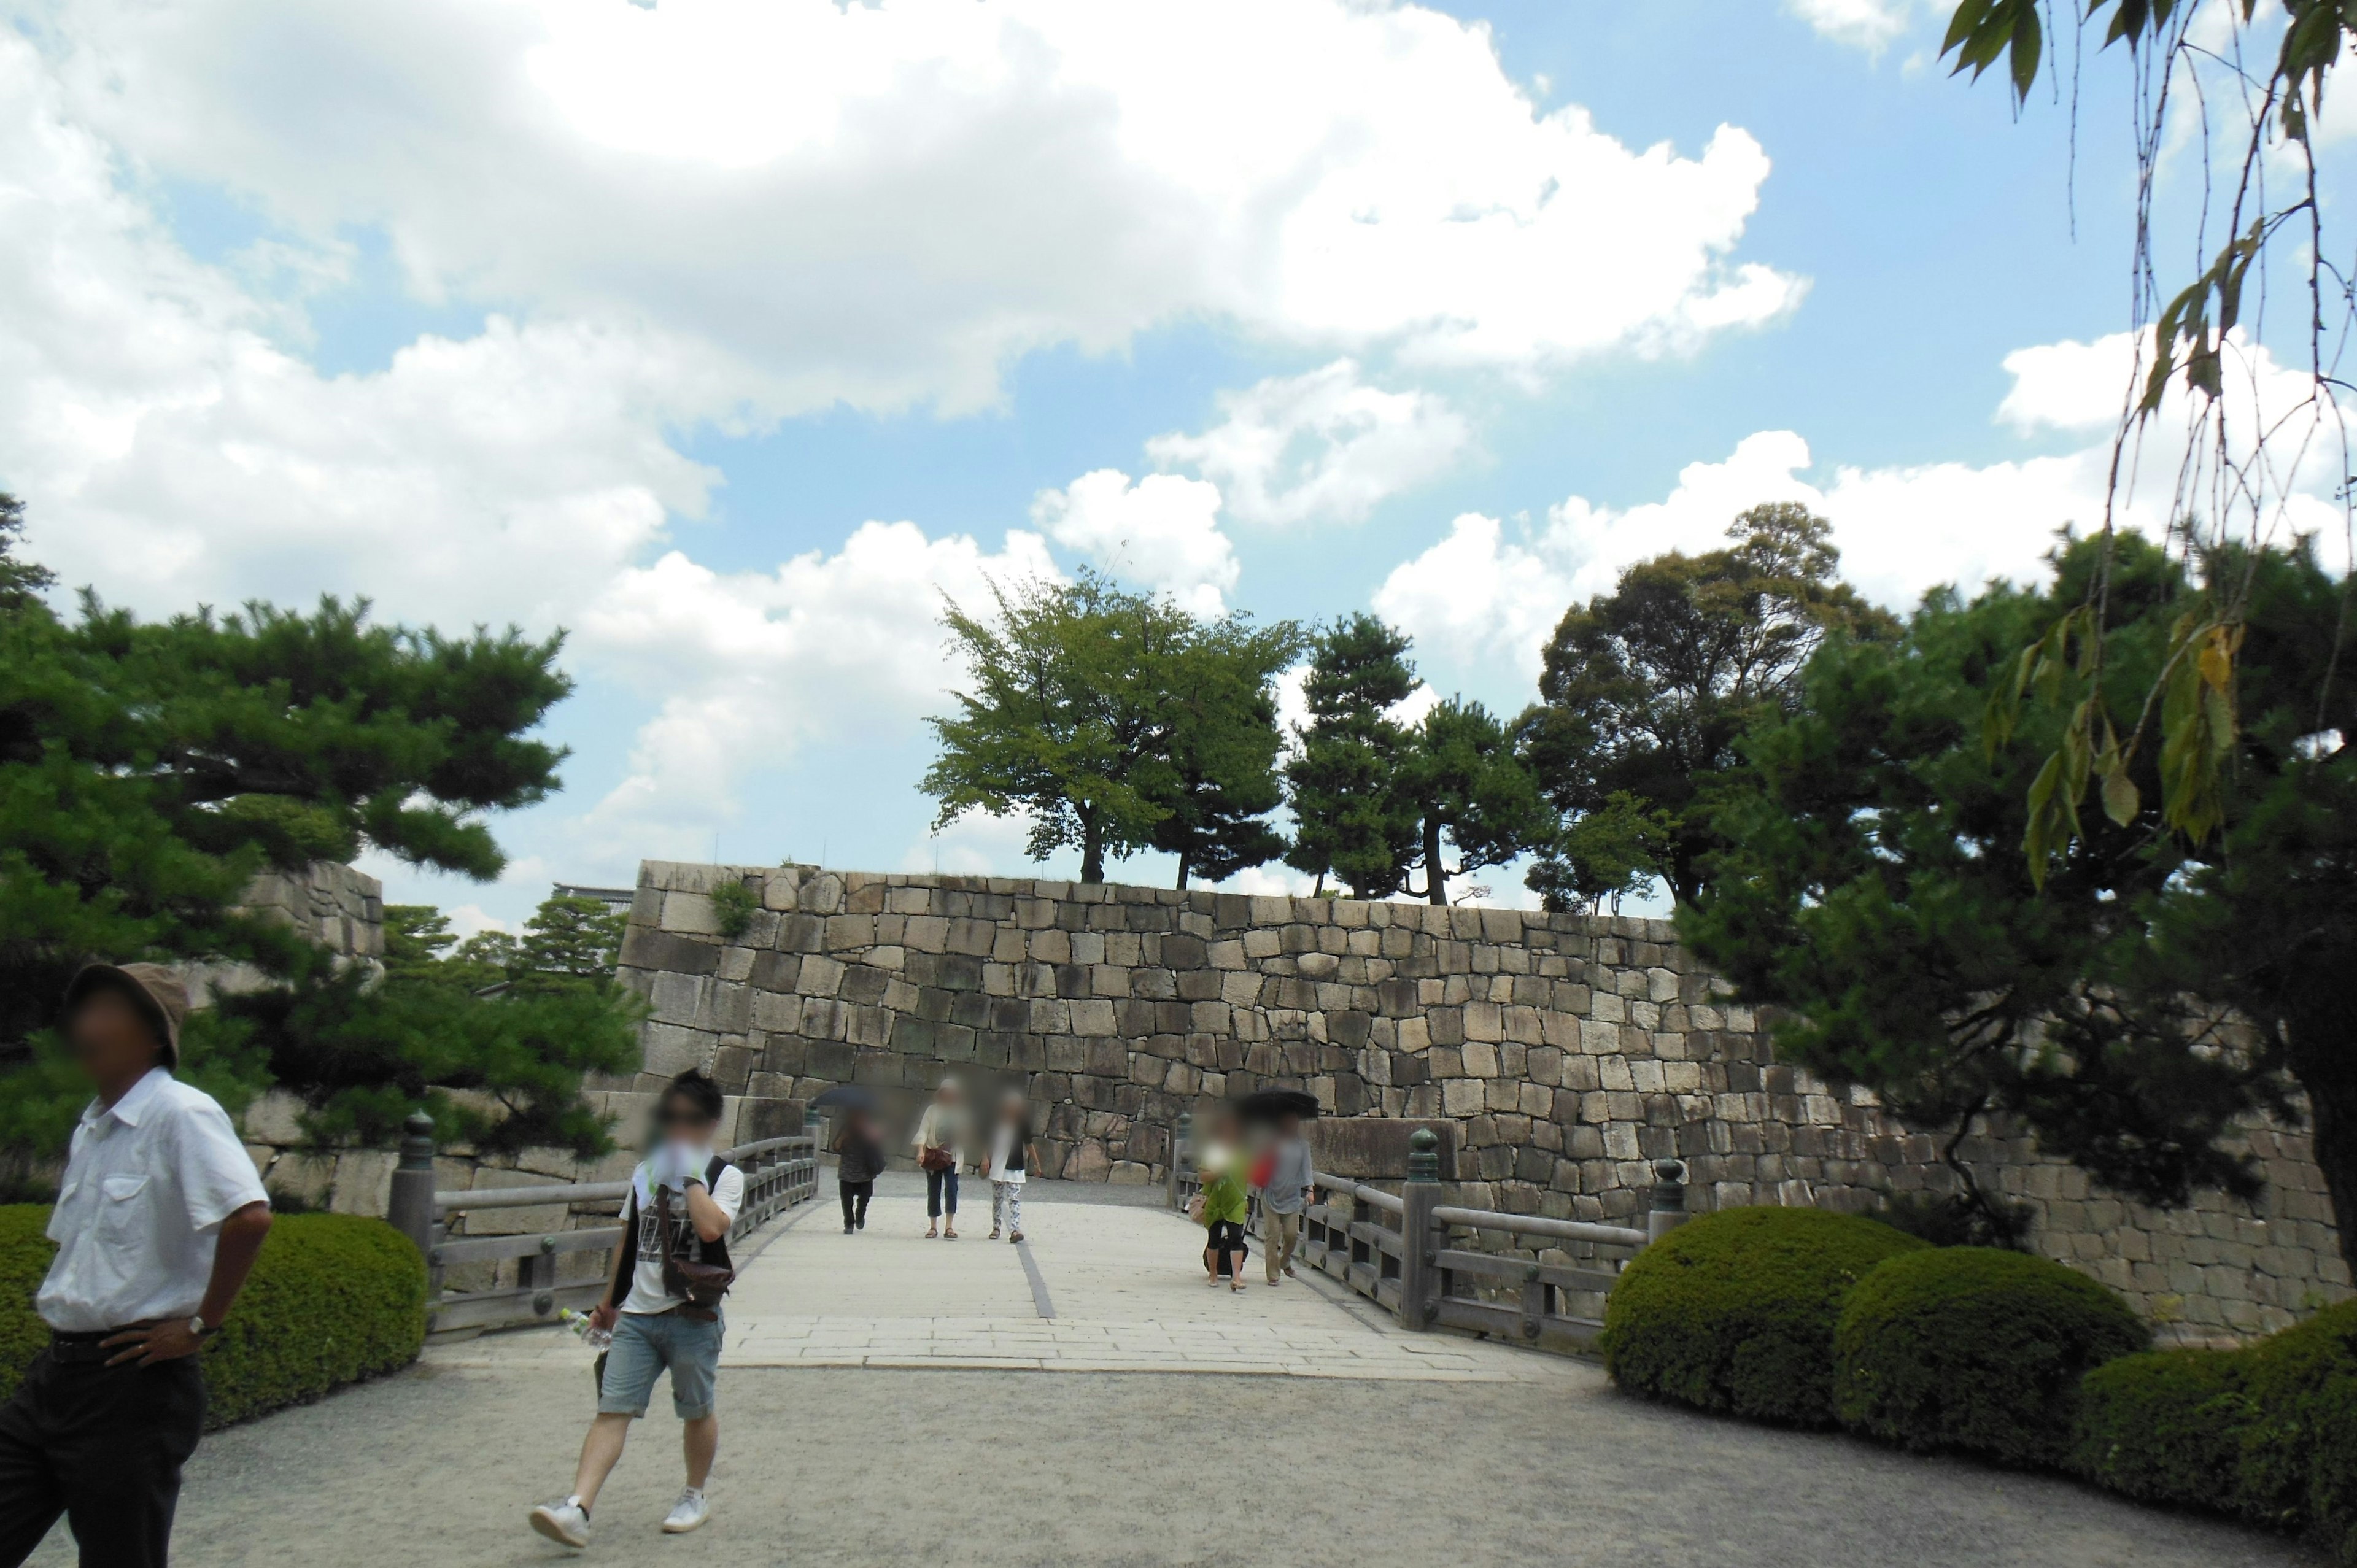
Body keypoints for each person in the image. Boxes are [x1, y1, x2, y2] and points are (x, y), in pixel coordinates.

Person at [0, 962, 274, 1568]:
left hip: (132, 1383)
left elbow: (249, 1215)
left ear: (151, 1034)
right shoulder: (94, 1126)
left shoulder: (181, 1112)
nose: (81, 1023)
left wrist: (202, 1323)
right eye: (82, 1009)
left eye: (104, 1010)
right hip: (57, 1375)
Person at [530, 1070, 743, 1550]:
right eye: (669, 1117)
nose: (676, 1127)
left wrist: (688, 1176)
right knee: (612, 1409)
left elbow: (711, 1230)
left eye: (689, 1119)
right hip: (639, 1316)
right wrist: (610, 1303)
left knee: (696, 1408)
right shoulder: (646, 1170)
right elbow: (628, 1240)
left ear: (709, 1123)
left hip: (693, 1314)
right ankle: (578, 1507)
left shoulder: (724, 1175)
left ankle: (694, 1494)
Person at [1253, 1111, 1317, 1286]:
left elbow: (1307, 1169)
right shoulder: (1272, 1142)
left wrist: (1310, 1190)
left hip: (1292, 1197)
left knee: (1292, 1235)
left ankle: (1284, 1261)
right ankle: (1273, 1275)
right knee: (1272, 1236)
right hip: (1271, 1194)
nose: (1292, 1124)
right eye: (1288, 1120)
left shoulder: (1302, 1145)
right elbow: (1258, 1162)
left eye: (1295, 1120)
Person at [980, 1089, 1039, 1244]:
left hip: (1015, 1166)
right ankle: (996, 1227)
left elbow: (1029, 1144)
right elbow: (987, 1143)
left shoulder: (1022, 1124)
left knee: (1014, 1198)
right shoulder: (996, 1123)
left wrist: (1036, 1163)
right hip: (998, 1165)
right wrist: (985, 1158)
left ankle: (1015, 1229)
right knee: (997, 1199)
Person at [912, 1078, 967, 1240]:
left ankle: (949, 1226)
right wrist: (921, 1151)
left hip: (953, 1156)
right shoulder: (932, 1110)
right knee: (933, 1190)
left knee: (952, 1189)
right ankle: (933, 1226)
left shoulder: (959, 1112)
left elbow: (965, 1135)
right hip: (934, 1155)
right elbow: (923, 1131)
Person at [1196, 1143, 1250, 1293]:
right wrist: (1219, 1172)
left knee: (1236, 1238)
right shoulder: (1213, 1152)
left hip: (1236, 1202)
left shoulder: (1242, 1153)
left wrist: (1246, 1198)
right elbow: (1203, 1176)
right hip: (1215, 1201)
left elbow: (1248, 1177)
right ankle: (1213, 1274)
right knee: (1214, 1238)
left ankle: (1236, 1277)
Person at [832, 1107, 886, 1234]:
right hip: (847, 1171)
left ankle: (860, 1215)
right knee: (846, 1201)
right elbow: (835, 1147)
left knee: (865, 1198)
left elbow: (877, 1146)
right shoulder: (845, 1128)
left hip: (865, 1172)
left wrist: (874, 1136)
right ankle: (849, 1223)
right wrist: (843, 1138)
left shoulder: (869, 1129)